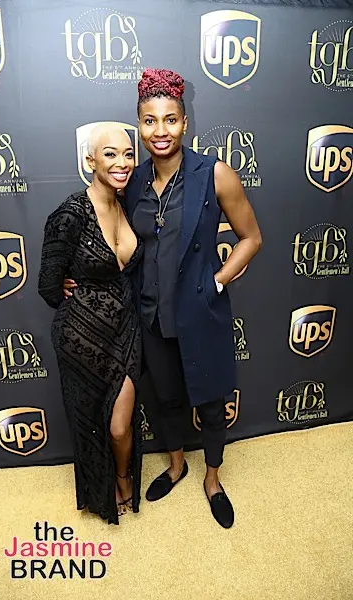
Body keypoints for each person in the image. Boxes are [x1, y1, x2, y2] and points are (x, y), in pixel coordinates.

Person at [64, 68, 262, 529]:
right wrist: (75, 275)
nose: (160, 131)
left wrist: (216, 281)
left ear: (185, 123)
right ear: (139, 125)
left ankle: (212, 478)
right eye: (149, 121)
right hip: (149, 317)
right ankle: (176, 466)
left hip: (199, 312)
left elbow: (251, 238)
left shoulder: (214, 174)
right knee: (165, 398)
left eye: (170, 119)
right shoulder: (131, 181)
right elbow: (105, 231)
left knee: (210, 400)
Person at [38, 124, 144, 525]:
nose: (122, 162)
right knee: (90, 426)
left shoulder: (127, 204)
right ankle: (102, 490)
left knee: (119, 427)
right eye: (110, 154)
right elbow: (48, 287)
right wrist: (75, 287)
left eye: (128, 154)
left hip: (125, 330)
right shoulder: (69, 215)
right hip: (81, 337)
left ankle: (123, 477)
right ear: (90, 161)